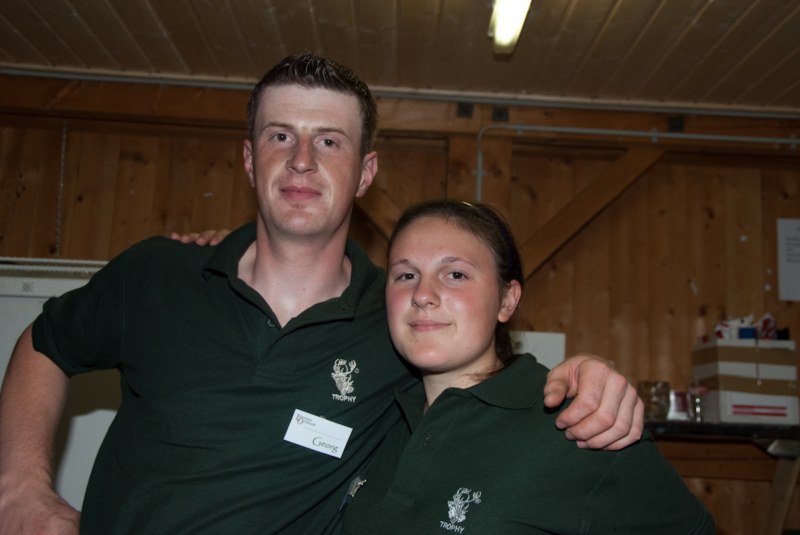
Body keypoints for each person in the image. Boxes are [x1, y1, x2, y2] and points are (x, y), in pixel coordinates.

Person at [0, 53, 642, 535]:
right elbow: (44, 343)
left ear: (364, 172)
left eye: (329, 141)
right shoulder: (157, 273)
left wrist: (585, 374)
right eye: (280, 135)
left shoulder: (400, 319)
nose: (302, 159)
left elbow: (488, 377)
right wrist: (20, 487)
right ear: (249, 159)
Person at [341, 199, 715, 534]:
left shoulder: (575, 423)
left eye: (455, 274)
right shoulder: (375, 413)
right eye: (406, 275)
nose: (422, 295)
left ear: (507, 300)